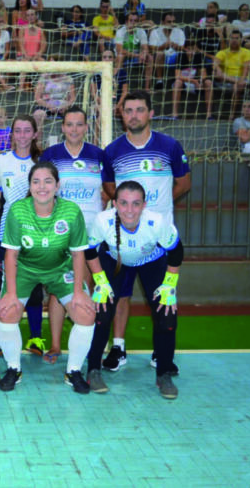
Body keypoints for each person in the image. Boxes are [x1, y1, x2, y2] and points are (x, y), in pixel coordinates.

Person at [101, 90, 191, 373]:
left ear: (150, 113)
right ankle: (118, 347)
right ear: (122, 114)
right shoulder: (112, 151)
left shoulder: (170, 146)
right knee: (120, 295)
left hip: (157, 242)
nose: (134, 115)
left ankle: (161, 353)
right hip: (122, 240)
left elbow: (184, 183)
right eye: (128, 110)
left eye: (140, 110)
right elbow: (109, 189)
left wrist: (154, 214)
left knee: (161, 297)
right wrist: (129, 212)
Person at [0, 161, 94, 392]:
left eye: (48, 181)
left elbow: (78, 253)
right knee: (7, 311)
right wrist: (11, 294)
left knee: (86, 314)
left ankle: (73, 371)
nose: (42, 186)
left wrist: (80, 293)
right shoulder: (18, 210)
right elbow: (11, 255)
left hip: (60, 268)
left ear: (57, 185)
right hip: (25, 268)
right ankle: (14, 368)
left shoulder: (71, 211)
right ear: (30, 187)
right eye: (36, 181)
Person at [85, 181, 183, 399]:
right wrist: (100, 281)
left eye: (135, 204)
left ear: (144, 205)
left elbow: (176, 252)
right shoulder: (103, 220)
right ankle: (93, 370)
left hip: (152, 262)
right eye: (124, 203)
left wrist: (169, 285)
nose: (129, 210)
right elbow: (89, 250)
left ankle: (164, 373)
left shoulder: (157, 222)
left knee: (167, 315)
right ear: (115, 203)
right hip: (114, 260)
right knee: (101, 312)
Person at [40, 107, 105, 362]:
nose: (74, 129)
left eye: (79, 124)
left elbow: (110, 189)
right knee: (59, 288)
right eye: (69, 124)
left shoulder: (99, 155)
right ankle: (56, 345)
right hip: (61, 235)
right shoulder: (51, 155)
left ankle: (88, 341)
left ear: (86, 127)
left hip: (92, 236)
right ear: (63, 127)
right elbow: (42, 191)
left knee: (90, 285)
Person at [0, 115, 46, 356]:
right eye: (18, 131)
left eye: (27, 131)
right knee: (6, 286)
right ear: (11, 134)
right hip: (7, 234)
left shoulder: (43, 161)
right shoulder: (1, 161)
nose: (22, 135)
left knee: (34, 286)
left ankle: (36, 338)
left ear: (35, 134)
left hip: (37, 233)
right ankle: (5, 338)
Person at [214, 29, 250, 120]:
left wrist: (241, 80)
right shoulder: (222, 52)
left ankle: (232, 115)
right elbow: (215, 63)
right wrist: (218, 68)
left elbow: (246, 68)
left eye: (237, 38)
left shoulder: (247, 52)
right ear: (229, 39)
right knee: (217, 74)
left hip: (242, 79)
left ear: (241, 40)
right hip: (226, 79)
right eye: (232, 38)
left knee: (237, 86)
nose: (234, 40)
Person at [170, 41, 213, 120]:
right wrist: (193, 81)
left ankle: (209, 115)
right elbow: (177, 76)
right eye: (189, 49)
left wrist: (200, 80)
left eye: (193, 49)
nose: (192, 51)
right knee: (177, 83)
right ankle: (174, 114)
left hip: (195, 84)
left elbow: (204, 74)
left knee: (208, 82)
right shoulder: (181, 56)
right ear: (185, 49)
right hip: (183, 83)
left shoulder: (199, 56)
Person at [115, 13, 152, 92]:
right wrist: (137, 55)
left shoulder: (141, 31)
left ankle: (147, 88)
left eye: (135, 21)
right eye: (130, 20)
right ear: (126, 22)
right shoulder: (120, 31)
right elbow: (119, 50)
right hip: (124, 56)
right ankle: (118, 86)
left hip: (137, 57)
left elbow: (146, 48)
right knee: (120, 55)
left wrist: (144, 54)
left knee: (150, 58)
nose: (133, 23)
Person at [33, 68, 77, 135]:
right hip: (46, 105)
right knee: (38, 114)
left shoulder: (68, 79)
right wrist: (49, 106)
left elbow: (73, 98)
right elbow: (37, 98)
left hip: (64, 106)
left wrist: (65, 106)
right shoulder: (44, 78)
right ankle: (38, 143)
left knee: (74, 116)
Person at [149, 12, 185, 87]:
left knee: (183, 55)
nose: (172, 24)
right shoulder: (155, 32)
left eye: (173, 21)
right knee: (160, 53)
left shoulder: (180, 32)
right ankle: (159, 81)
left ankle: (179, 80)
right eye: (169, 22)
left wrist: (176, 46)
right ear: (162, 22)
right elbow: (152, 49)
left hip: (175, 57)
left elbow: (183, 48)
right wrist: (163, 46)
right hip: (161, 58)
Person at [16, 10, 46, 91]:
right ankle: (21, 87)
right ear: (26, 17)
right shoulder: (23, 29)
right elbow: (21, 45)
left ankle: (41, 87)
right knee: (24, 64)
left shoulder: (40, 30)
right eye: (28, 15)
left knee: (45, 65)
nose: (30, 17)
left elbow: (43, 45)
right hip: (24, 55)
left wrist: (38, 54)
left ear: (36, 16)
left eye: (32, 14)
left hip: (36, 56)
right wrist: (25, 55)